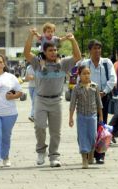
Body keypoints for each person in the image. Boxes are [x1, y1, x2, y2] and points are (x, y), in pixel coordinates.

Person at [24, 30, 81, 167]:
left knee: (55, 131)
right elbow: (26, 53)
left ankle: (54, 156)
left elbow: (77, 56)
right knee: (39, 127)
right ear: (44, 51)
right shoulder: (38, 63)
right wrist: (31, 36)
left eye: (55, 50)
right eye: (50, 50)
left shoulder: (63, 64)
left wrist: (72, 40)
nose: (53, 52)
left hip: (56, 101)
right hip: (41, 100)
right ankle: (41, 151)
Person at [80, 39, 117, 164]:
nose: (97, 51)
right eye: (94, 48)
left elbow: (112, 79)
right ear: (90, 50)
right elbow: (78, 77)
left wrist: (104, 92)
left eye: (99, 48)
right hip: (87, 97)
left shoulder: (106, 63)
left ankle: (100, 154)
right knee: (89, 126)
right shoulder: (85, 63)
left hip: (103, 96)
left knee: (101, 126)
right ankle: (88, 152)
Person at [69, 65, 103, 169]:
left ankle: (91, 153)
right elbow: (73, 104)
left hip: (93, 116)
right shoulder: (76, 88)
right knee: (82, 137)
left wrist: (100, 116)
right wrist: (70, 118)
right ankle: (84, 158)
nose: (86, 75)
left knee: (92, 136)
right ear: (79, 75)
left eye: (88, 73)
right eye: (84, 73)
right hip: (81, 116)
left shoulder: (94, 86)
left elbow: (99, 102)